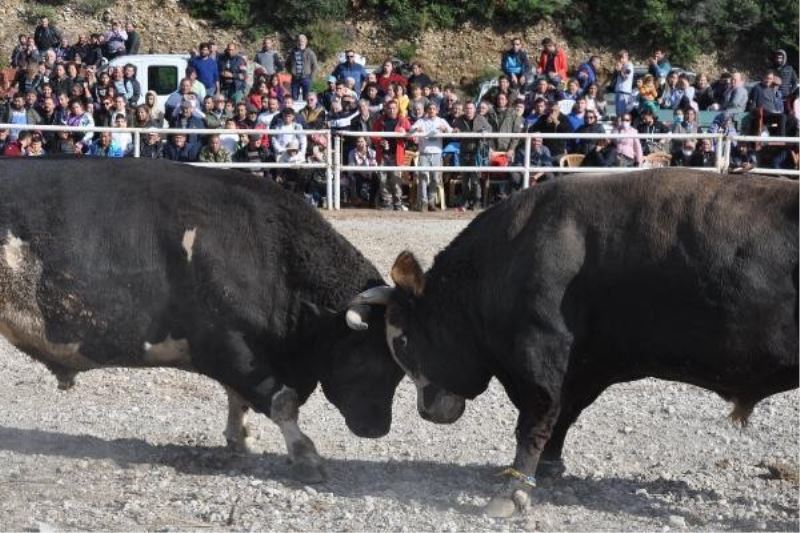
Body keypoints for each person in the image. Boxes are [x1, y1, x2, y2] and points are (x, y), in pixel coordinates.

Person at [408, 102, 453, 211]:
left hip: (437, 153)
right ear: (427, 110)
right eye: (430, 109)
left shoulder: (441, 121)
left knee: (434, 178)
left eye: (434, 109)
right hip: (424, 153)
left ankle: (431, 202)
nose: (432, 111)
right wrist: (416, 130)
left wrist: (445, 129)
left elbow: (451, 131)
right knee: (423, 178)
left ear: (437, 110)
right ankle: (423, 203)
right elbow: (411, 130)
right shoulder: (421, 121)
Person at [451, 101, 491, 210]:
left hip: (476, 152)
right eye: (467, 108)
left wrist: (484, 132)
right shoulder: (459, 120)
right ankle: (465, 200)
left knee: (475, 179)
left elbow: (489, 129)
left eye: (471, 108)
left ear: (474, 109)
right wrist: (455, 130)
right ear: (464, 110)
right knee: (464, 179)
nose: (469, 110)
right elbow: (453, 131)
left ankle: (477, 200)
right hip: (464, 152)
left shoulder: (481, 118)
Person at [371, 99, 410, 210]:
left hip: (396, 155)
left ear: (397, 109)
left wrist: (405, 133)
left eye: (394, 108)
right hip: (383, 154)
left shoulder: (403, 120)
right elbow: (373, 136)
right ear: (386, 109)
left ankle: (397, 203)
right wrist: (380, 141)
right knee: (383, 180)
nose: (391, 110)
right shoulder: (380, 121)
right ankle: (387, 202)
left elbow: (412, 134)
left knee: (396, 179)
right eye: (389, 108)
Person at [748, 70, 787, 136]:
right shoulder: (757, 88)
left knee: (792, 120)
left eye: (770, 79)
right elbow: (753, 103)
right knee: (782, 117)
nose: (768, 80)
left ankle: (792, 142)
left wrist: (778, 110)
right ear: (763, 78)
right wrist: (755, 111)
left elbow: (775, 104)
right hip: (763, 113)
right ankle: (781, 140)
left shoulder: (771, 89)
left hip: (773, 113)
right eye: (767, 78)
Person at [489, 93, 522, 164]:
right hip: (493, 147)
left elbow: (516, 133)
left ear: (507, 101)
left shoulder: (513, 114)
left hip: (507, 148)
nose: (500, 101)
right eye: (499, 99)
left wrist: (511, 148)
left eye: (502, 99)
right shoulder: (490, 113)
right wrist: (490, 147)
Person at [346, 136, 378, 206]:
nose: (360, 143)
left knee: (376, 178)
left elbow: (374, 166)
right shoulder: (352, 153)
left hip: (369, 173)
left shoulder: (373, 152)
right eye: (358, 142)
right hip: (357, 173)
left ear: (366, 142)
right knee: (356, 178)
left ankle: (372, 201)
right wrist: (361, 171)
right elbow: (351, 167)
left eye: (362, 141)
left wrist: (364, 159)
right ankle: (358, 200)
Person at [288, 34, 318, 101]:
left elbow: (315, 66)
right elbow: (287, 63)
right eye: (299, 40)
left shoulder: (310, 52)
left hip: (306, 78)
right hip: (295, 78)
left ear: (306, 42)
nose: (300, 42)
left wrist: (311, 77)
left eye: (302, 41)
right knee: (293, 98)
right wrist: (291, 72)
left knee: (307, 98)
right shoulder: (293, 52)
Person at [614, 49, 635, 118]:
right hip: (618, 91)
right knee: (618, 113)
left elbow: (625, 77)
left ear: (627, 57)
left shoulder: (629, 66)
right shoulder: (621, 66)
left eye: (622, 57)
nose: (620, 59)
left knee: (621, 114)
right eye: (619, 58)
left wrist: (620, 70)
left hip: (624, 92)